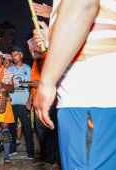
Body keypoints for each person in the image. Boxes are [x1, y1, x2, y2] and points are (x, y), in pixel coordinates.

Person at [33, 0, 116, 169]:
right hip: (91, 98)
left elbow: (83, 5)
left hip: (90, 98)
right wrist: (51, 40)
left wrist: (47, 81)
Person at [27, 38, 60, 165]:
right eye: (29, 50)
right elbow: (32, 84)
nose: (31, 52)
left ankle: (57, 161)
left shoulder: (50, 58)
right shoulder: (35, 62)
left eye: (33, 49)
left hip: (51, 103)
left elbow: (56, 79)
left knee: (53, 134)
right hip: (37, 103)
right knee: (41, 134)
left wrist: (39, 84)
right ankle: (46, 159)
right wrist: (29, 100)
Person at [7, 47, 34, 159]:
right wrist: (6, 97)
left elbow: (32, 87)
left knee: (27, 128)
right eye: (12, 55)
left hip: (24, 103)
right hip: (12, 103)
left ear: (21, 55)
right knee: (11, 127)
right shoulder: (9, 69)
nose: (14, 57)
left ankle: (30, 151)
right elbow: (6, 86)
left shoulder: (28, 68)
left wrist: (29, 101)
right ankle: (12, 149)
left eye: (16, 55)